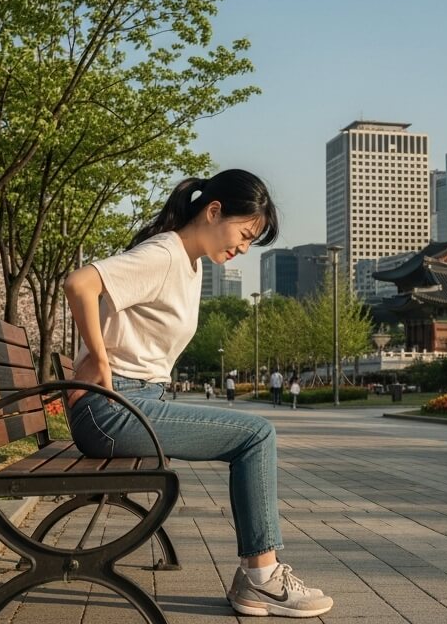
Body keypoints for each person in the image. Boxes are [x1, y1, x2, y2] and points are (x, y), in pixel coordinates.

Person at [62, 169, 333, 618]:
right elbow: (80, 284)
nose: (243, 248)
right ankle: (262, 577)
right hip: (112, 410)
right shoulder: (166, 252)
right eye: (245, 234)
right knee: (256, 434)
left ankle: (258, 578)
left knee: (254, 434)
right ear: (213, 211)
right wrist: (100, 359)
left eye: (251, 242)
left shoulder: (188, 263)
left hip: (131, 404)